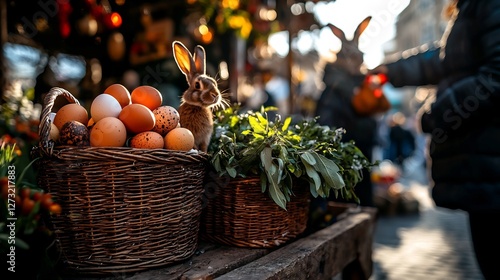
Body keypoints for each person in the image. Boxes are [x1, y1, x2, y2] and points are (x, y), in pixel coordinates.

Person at [369, 1, 500, 278]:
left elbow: (495, 78)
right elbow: (445, 58)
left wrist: (437, 115)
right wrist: (390, 72)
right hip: (485, 167)